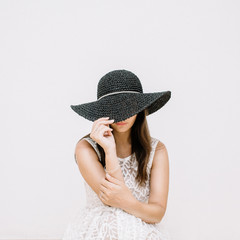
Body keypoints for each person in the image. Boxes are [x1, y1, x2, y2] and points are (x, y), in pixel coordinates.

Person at [62, 69, 172, 240]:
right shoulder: (85, 149)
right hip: (100, 230)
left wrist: (129, 203)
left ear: (140, 109)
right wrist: (109, 149)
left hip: (140, 231)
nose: (122, 115)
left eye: (128, 107)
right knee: (113, 223)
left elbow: (157, 213)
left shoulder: (157, 150)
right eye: (113, 108)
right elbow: (111, 199)